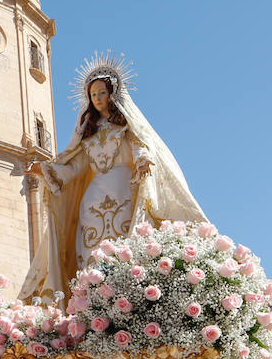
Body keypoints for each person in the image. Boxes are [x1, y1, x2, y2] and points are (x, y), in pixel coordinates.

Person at [21, 54, 206, 296]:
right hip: (92, 203)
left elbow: (140, 143)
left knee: (127, 247)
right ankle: (95, 298)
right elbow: (74, 168)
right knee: (92, 254)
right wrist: (46, 170)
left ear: (112, 94)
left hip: (124, 194)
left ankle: (128, 294)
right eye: (93, 95)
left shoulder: (126, 127)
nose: (97, 98)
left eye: (101, 93)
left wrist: (143, 159)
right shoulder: (87, 137)